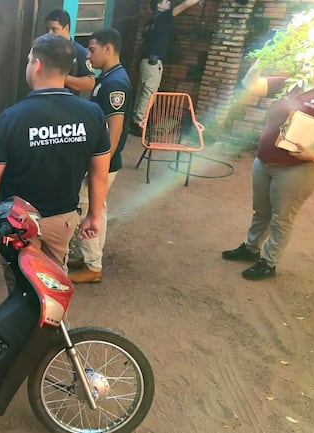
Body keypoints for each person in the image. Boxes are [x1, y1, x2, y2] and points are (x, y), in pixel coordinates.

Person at [0, 33, 111, 275]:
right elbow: (100, 174)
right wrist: (94, 215)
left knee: (21, 287)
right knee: (56, 282)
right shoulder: (93, 114)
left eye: (29, 60)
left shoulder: (11, 118)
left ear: (36, 65)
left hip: (18, 222)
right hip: (63, 219)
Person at [221, 59, 314, 280]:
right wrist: (265, 56)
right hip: (265, 160)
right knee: (261, 210)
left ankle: (268, 262)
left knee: (281, 217)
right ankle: (251, 248)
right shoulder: (289, 83)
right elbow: (251, 84)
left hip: (297, 168)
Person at [68, 28, 132, 284]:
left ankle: (92, 265)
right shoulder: (108, 78)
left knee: (90, 209)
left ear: (108, 48)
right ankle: (87, 257)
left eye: (92, 50)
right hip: (99, 161)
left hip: (103, 162)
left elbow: (113, 131)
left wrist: (99, 168)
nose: (89, 56)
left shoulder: (115, 83)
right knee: (94, 207)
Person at [129, 0, 201, 135]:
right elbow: (184, 5)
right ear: (159, 5)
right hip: (153, 63)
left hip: (145, 61)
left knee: (142, 92)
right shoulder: (164, 16)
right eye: (166, 1)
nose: (169, 3)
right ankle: (139, 123)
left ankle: (135, 120)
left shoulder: (151, 21)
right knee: (149, 94)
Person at [44, 9, 95, 98]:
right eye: (47, 29)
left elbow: (89, 83)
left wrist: (60, 77)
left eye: (54, 29)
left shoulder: (79, 52)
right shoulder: (46, 50)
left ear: (66, 28)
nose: (50, 33)